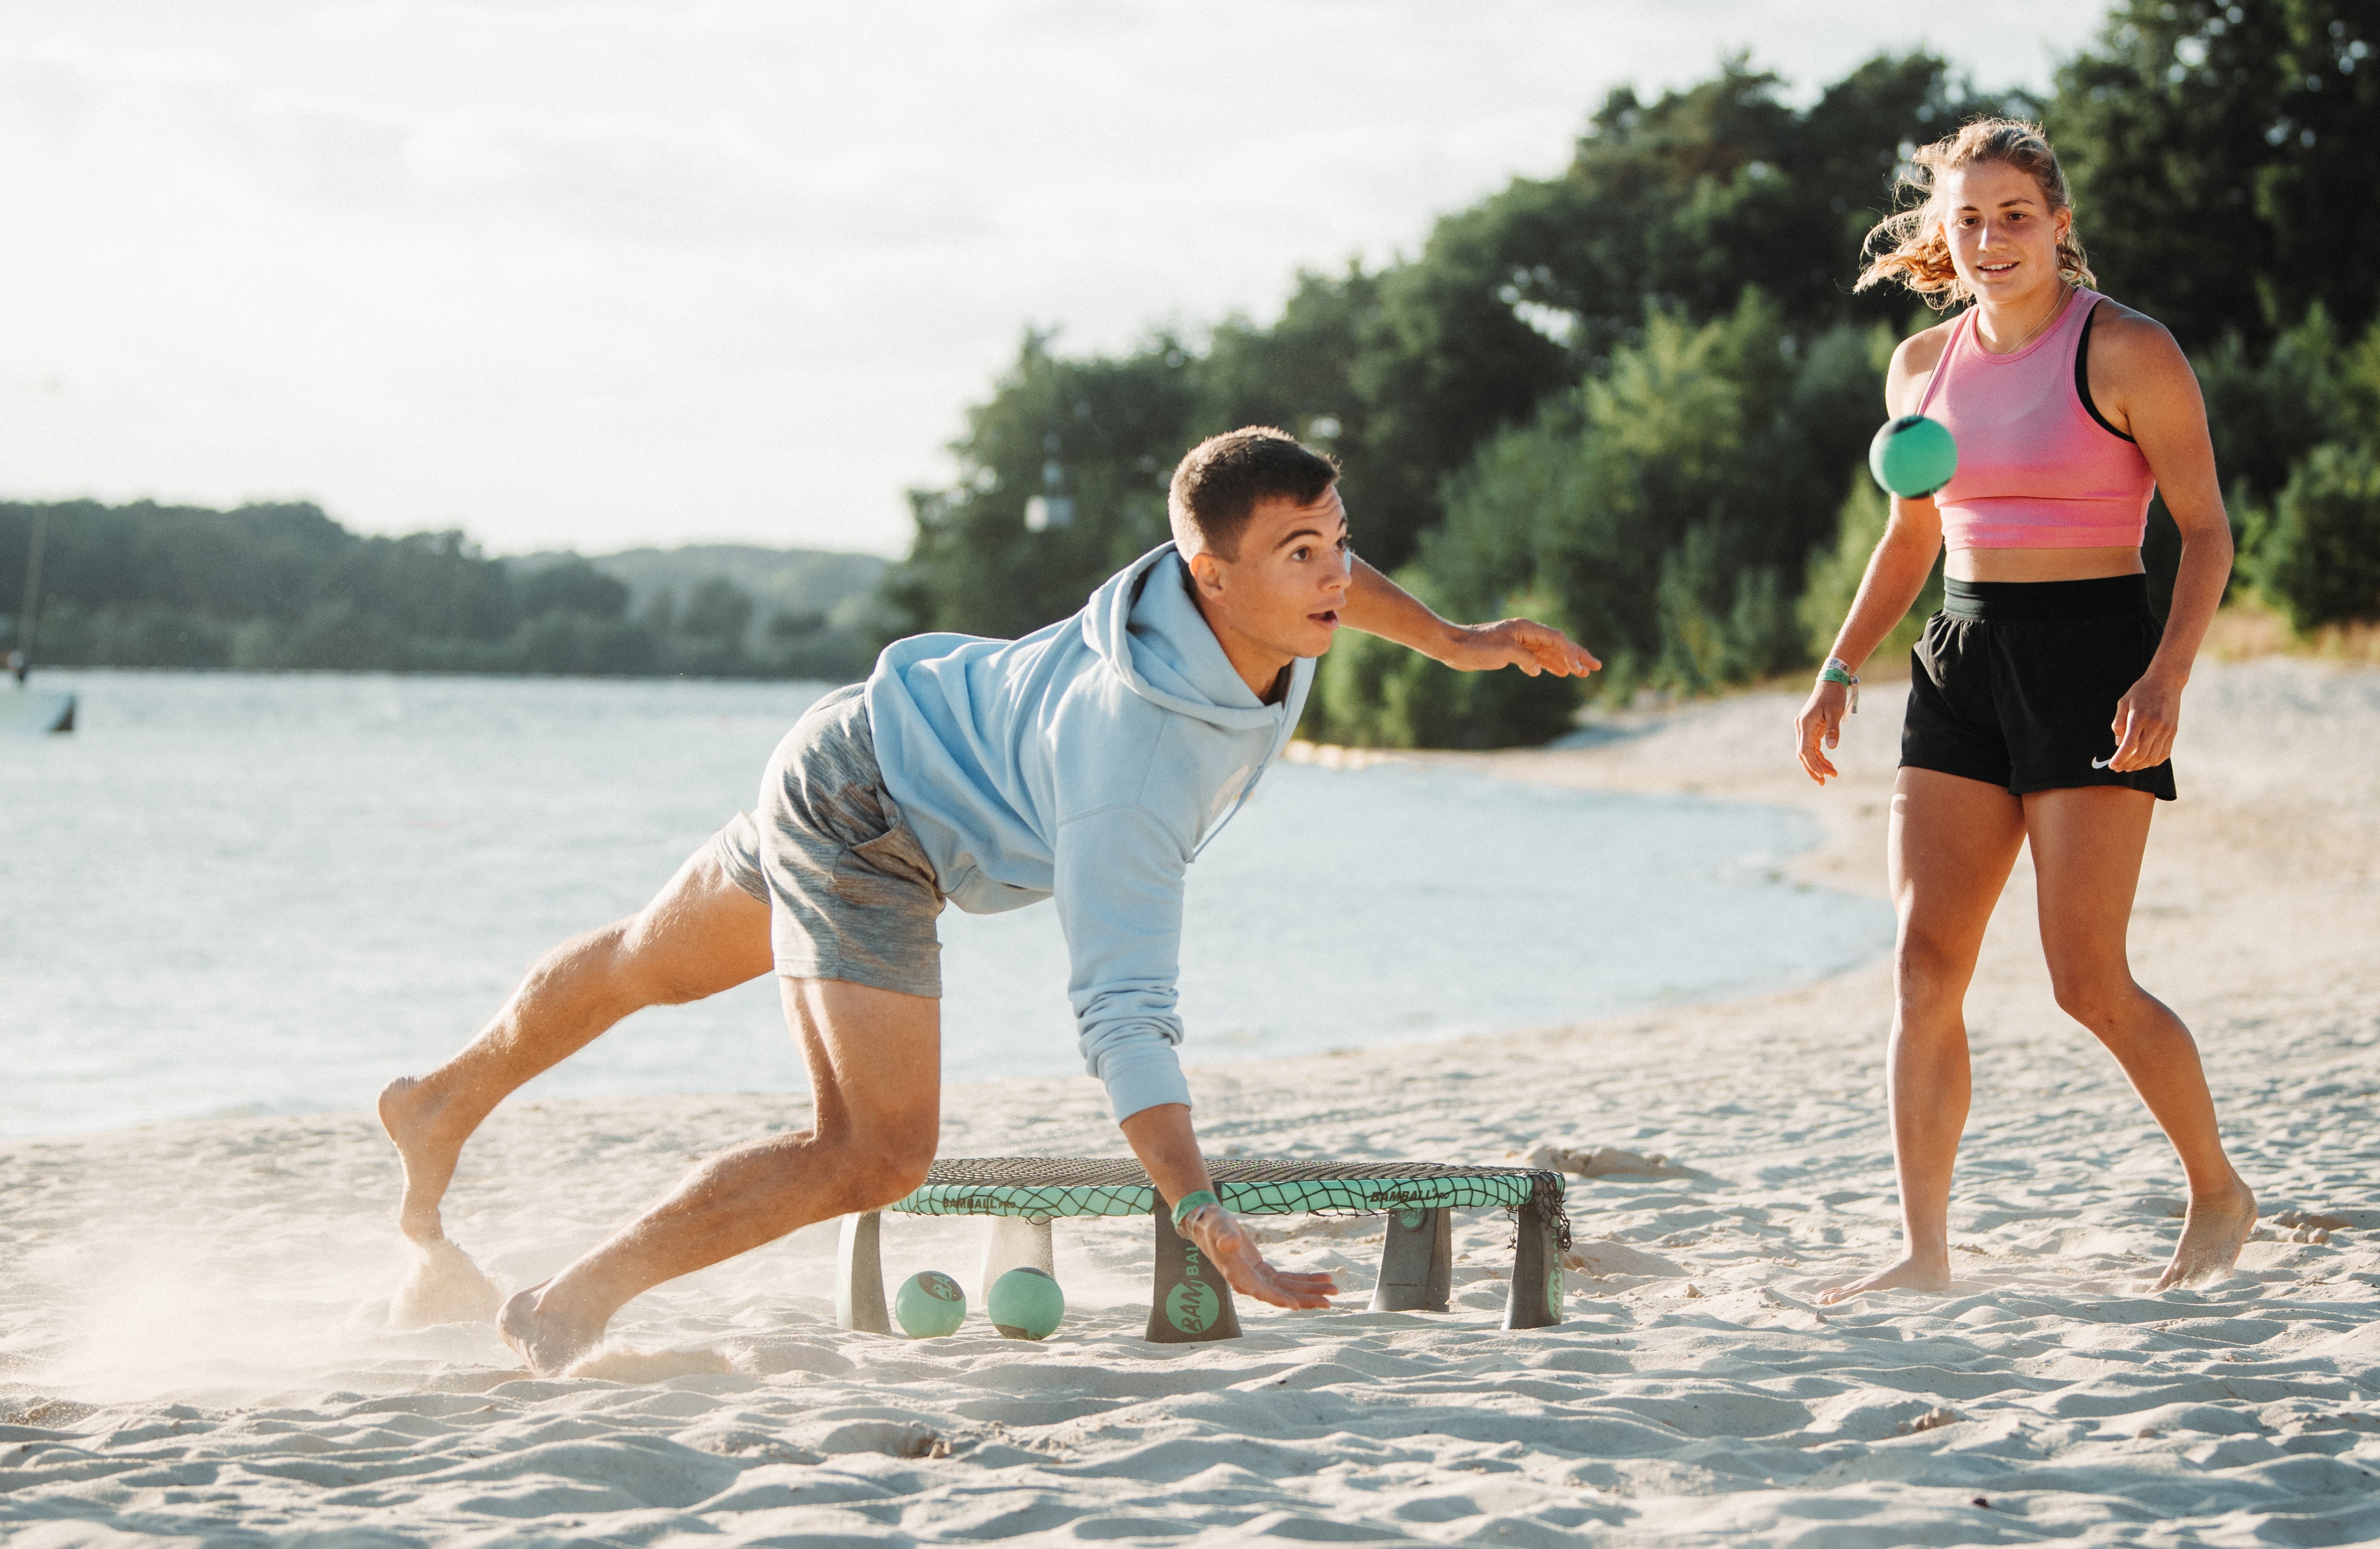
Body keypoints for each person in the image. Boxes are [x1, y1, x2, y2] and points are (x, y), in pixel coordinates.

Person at [380, 427, 1600, 1372]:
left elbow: (1331, 564)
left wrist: (1459, 638)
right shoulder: (1134, 765)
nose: (1334, 573)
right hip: (873, 819)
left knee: (655, 957)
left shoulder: (1262, 598)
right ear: (1209, 576)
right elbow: (1123, 1011)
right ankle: (570, 1300)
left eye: (1337, 541)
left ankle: (441, 1099)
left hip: (868, 736)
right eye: (1301, 555)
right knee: (874, 1150)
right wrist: (1202, 1209)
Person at [1793, 119, 2254, 1300]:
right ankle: (1925, 1250)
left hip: (2092, 657)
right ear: (1941, 239)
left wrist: (2165, 675)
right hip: (1959, 657)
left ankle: (2216, 1187)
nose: (1991, 238)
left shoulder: (2128, 351)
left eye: (2012, 215)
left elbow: (2204, 532)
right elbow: (1911, 534)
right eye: (1968, 219)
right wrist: (1840, 667)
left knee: (2084, 977)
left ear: (2057, 223)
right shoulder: (1918, 366)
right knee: (1920, 967)